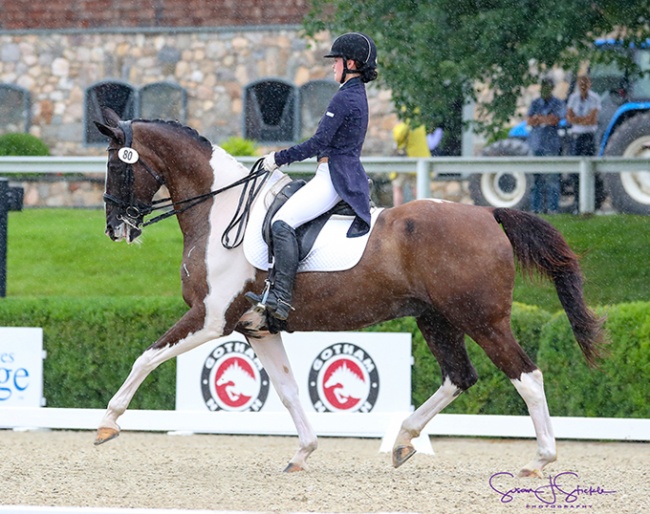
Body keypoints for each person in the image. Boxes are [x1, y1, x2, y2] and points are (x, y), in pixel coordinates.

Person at [245, 32, 378, 321]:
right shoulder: (354, 95)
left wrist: (277, 158)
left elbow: (317, 143)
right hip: (333, 170)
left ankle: (280, 297)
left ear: (351, 63)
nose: (333, 67)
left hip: (334, 176)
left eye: (337, 61)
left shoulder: (345, 98)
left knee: (282, 223)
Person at [527, 77, 566, 214]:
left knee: (552, 179)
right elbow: (530, 121)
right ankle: (535, 208)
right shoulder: (535, 103)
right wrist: (543, 119)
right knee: (536, 179)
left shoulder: (557, 103)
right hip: (536, 144)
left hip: (551, 146)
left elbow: (555, 120)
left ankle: (552, 208)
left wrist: (540, 118)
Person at [566, 74, 601, 212]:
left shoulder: (595, 98)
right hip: (577, 137)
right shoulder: (573, 98)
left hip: (589, 136)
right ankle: (577, 203)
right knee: (576, 172)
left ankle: (593, 203)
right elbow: (569, 117)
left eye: (585, 83)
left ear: (590, 84)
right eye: (581, 83)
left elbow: (592, 120)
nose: (583, 86)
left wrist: (578, 119)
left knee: (591, 170)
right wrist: (582, 119)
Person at [390, 120, 430, 206]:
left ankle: (397, 213)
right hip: (419, 159)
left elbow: (398, 136)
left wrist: (399, 125)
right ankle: (422, 210)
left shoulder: (407, 117)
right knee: (417, 189)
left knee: (397, 187)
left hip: (405, 159)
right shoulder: (419, 119)